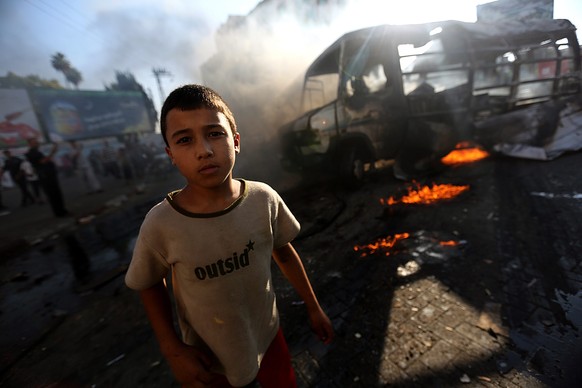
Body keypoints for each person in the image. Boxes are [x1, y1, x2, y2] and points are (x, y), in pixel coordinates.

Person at [125, 84, 334, 387]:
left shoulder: (263, 199)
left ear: (235, 141)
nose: (204, 150)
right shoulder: (161, 223)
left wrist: (314, 308)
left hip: (268, 333)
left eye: (214, 133)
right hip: (210, 357)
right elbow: (148, 282)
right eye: (185, 140)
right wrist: (173, 350)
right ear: (171, 155)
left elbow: (285, 252)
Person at [25, 138, 69, 217]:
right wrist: (53, 152)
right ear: (30, 144)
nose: (37, 144)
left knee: (55, 194)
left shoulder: (36, 152)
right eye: (35, 143)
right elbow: (43, 161)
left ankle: (61, 211)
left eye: (37, 142)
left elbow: (37, 165)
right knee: (54, 194)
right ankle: (60, 212)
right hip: (46, 176)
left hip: (47, 175)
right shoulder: (32, 153)